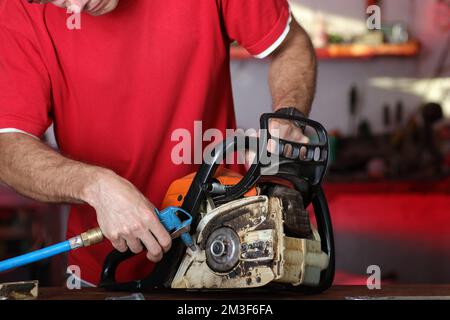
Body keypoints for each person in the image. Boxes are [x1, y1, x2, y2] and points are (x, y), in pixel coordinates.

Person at [0, 0, 317, 285]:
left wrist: (289, 115)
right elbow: (8, 147)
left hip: (225, 252)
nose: (75, 8)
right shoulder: (17, 9)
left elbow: (290, 44)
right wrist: (92, 184)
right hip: (104, 270)